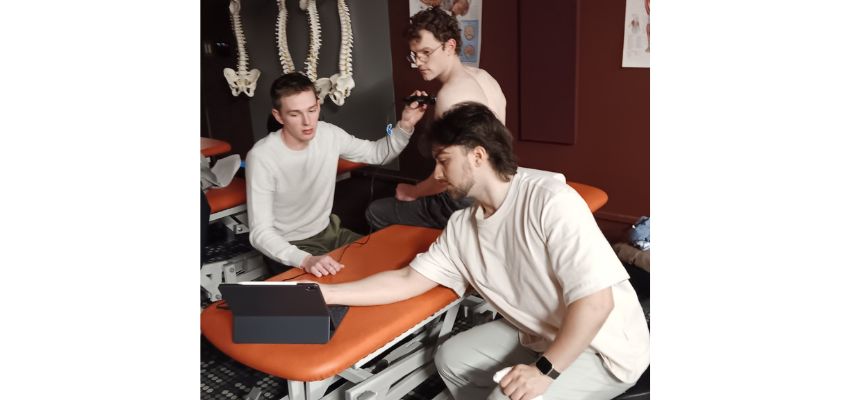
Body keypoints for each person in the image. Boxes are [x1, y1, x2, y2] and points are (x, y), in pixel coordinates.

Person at [320, 103, 649, 400]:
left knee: (508, 397)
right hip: (542, 332)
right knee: (451, 359)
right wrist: (327, 294)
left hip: (603, 348)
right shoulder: (463, 225)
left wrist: (544, 372)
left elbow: (596, 304)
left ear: (478, 156)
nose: (436, 174)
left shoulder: (549, 201)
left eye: (444, 161)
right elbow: (407, 279)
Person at [246, 72, 428, 277]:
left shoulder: (328, 133)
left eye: (312, 110)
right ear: (279, 116)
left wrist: (405, 125)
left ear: (318, 105)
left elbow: (379, 153)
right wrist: (305, 260)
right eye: (295, 114)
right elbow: (260, 233)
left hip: (330, 233)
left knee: (394, 263)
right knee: (345, 287)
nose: (308, 122)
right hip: (291, 246)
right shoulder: (262, 156)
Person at [365, 6, 506, 231]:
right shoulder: (485, 78)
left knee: (375, 211)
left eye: (426, 53)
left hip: (464, 199)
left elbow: (448, 178)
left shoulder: (448, 96)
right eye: (415, 54)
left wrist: (413, 191)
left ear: (450, 46)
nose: (418, 62)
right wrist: (406, 124)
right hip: (498, 190)